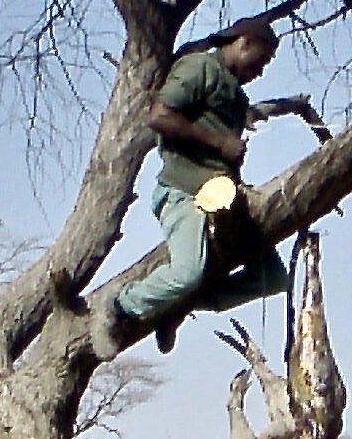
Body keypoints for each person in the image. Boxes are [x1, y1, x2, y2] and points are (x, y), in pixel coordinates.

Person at [101, 20, 289, 356]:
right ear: (244, 42)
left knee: (272, 277)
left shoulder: (236, 94)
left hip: (225, 197)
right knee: (186, 273)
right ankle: (119, 306)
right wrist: (219, 143)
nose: (259, 72)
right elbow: (159, 116)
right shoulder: (200, 66)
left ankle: (180, 304)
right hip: (185, 190)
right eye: (260, 61)